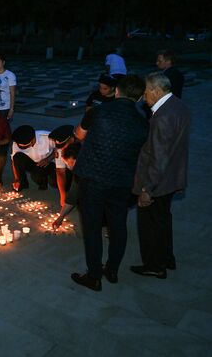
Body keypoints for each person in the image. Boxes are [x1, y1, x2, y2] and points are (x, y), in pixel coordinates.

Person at [71, 75, 149, 291]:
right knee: (117, 226)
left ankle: (94, 276)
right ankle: (112, 270)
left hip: (93, 178)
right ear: (141, 97)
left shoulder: (98, 111)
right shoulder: (143, 123)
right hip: (122, 181)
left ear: (116, 91)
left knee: (93, 227)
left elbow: (79, 134)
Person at [131, 72, 190, 279]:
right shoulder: (178, 105)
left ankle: (154, 265)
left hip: (159, 182)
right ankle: (166, 257)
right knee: (163, 220)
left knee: (149, 225)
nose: (143, 97)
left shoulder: (163, 116)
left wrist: (147, 189)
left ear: (156, 91)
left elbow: (158, 158)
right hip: (171, 177)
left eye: (145, 93)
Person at [11, 125, 73, 204]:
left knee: (54, 182)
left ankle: (69, 189)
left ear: (33, 140)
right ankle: (23, 182)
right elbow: (14, 161)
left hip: (49, 163)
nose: (24, 148)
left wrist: (48, 159)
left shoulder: (47, 137)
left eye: (26, 146)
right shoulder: (17, 142)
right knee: (18, 158)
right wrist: (17, 178)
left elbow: (58, 149)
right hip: (33, 164)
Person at [52, 142, 82, 229]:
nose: (70, 167)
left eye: (72, 163)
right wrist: (60, 218)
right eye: (67, 164)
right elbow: (72, 197)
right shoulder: (78, 173)